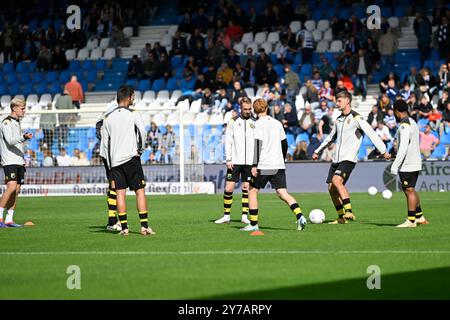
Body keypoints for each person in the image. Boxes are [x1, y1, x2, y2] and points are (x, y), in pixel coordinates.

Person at [312, 91, 391, 224]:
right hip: (336, 159)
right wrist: (317, 151)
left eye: (339, 100)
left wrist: (383, 150)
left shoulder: (357, 118)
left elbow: (371, 133)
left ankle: (349, 211)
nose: (337, 103)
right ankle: (341, 217)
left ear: (347, 101)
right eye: (336, 101)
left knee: (337, 181)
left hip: (348, 158)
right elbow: (330, 138)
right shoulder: (338, 119)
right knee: (331, 188)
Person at [242, 98, 307, 232]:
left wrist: (254, 165)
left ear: (254, 110)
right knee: (283, 193)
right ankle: (300, 216)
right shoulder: (277, 123)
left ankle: (253, 223)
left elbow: (257, 145)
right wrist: (281, 159)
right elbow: (284, 144)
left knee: (252, 191)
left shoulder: (257, 125)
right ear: (266, 108)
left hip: (264, 165)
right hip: (278, 164)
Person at [102, 85, 154, 236]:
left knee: (120, 193)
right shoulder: (133, 114)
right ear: (130, 97)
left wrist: (111, 164)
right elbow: (143, 132)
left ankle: (124, 228)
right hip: (131, 158)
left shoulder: (108, 118)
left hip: (115, 161)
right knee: (140, 191)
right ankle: (144, 226)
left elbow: (105, 145)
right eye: (133, 97)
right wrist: (141, 150)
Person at [215, 97, 255, 225]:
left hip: (249, 161)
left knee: (246, 187)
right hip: (235, 161)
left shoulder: (255, 122)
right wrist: (228, 158)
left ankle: (244, 216)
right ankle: (226, 215)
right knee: (228, 188)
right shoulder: (232, 121)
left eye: (250, 109)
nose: (248, 111)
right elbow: (228, 141)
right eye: (245, 109)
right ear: (240, 108)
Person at [390, 100, 429, 228]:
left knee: (409, 190)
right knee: (411, 189)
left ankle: (411, 220)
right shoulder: (412, 122)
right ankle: (420, 217)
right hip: (415, 161)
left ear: (396, 111)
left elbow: (403, 148)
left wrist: (395, 165)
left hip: (407, 164)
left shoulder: (404, 126)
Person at [0, 98, 33, 228]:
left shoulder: (17, 122)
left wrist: (23, 158)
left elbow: (17, 143)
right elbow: (10, 140)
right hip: (9, 160)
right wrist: (23, 137)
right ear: (14, 108)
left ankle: (9, 219)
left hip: (18, 160)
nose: (24, 111)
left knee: (17, 189)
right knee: (11, 187)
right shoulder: (6, 123)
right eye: (22, 108)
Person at [96, 99, 121, 232]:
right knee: (114, 184)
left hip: (116, 152)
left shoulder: (121, 110)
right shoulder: (112, 108)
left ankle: (113, 220)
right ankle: (112, 221)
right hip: (110, 152)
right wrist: (107, 140)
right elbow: (99, 124)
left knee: (116, 185)